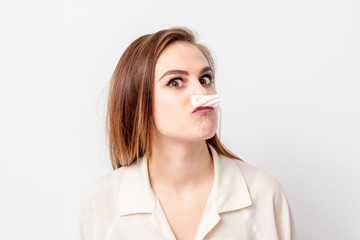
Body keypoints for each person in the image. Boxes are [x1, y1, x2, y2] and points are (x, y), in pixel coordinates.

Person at [77, 27, 296, 240]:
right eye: (175, 82)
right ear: (138, 101)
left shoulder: (264, 193)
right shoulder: (100, 201)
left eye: (205, 79)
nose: (201, 92)